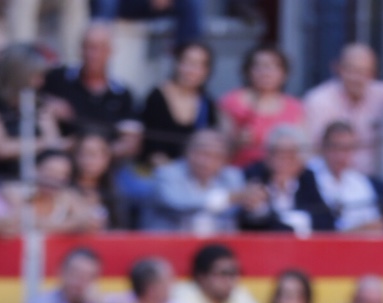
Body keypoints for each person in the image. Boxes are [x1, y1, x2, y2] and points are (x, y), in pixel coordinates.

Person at [302, 42, 383, 177]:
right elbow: (311, 151)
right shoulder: (318, 100)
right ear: (337, 68)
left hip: (371, 179)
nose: (357, 78)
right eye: (351, 71)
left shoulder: (377, 92)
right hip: (330, 177)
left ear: (373, 74)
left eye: (364, 72)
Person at [41, 21, 140, 161]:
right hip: (62, 160)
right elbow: (28, 95)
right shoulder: (58, 78)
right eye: (88, 47)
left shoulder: (122, 94)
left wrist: (95, 153)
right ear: (80, 49)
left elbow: (131, 141)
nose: (92, 54)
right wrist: (49, 102)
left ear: (110, 51)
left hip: (105, 168)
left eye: (99, 48)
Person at [0, 41, 69, 183]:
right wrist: (43, 143)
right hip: (0, 178)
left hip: (38, 180)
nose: (40, 82)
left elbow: (53, 141)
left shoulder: (38, 104)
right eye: (35, 76)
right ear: (18, 76)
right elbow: (0, 148)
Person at [218, 42, 303, 170]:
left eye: (273, 67)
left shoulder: (295, 107)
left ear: (284, 74)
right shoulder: (231, 102)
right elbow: (217, 149)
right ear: (248, 71)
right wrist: (236, 143)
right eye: (259, 66)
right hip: (239, 173)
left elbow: (303, 152)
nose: (265, 72)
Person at [142, 126, 244, 233]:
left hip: (219, 245)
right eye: (203, 154)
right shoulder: (167, 174)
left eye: (216, 156)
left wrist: (255, 205)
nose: (207, 162)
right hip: (169, 244)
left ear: (225, 160)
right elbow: (177, 203)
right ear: (187, 152)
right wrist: (224, 198)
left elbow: (238, 211)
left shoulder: (232, 177)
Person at [238, 123, 334, 234]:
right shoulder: (255, 175)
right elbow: (248, 222)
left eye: (290, 155)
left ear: (300, 160)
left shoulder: (307, 178)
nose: (282, 161)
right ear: (267, 156)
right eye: (277, 153)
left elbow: (326, 220)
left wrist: (298, 219)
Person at [139, 38, 217, 168]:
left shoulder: (207, 103)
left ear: (206, 71)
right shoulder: (157, 96)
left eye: (199, 65)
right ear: (177, 63)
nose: (192, 70)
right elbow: (148, 144)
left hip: (192, 174)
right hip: (155, 170)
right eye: (188, 62)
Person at [5, 146, 107, 234]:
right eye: (50, 171)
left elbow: (89, 219)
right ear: (35, 170)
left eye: (62, 174)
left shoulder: (67, 195)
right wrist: (73, 225)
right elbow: (23, 221)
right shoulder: (14, 191)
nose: (55, 178)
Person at [308, 120, 383, 233]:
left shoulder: (359, 182)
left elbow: (376, 225)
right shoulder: (308, 177)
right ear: (323, 147)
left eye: (347, 148)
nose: (340, 155)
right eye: (335, 147)